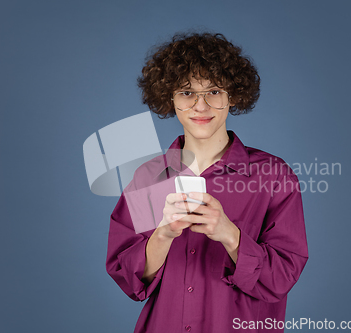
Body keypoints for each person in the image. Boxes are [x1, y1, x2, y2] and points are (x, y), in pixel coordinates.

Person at [106, 32, 308, 332]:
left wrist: (230, 235)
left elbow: (282, 277)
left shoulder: (273, 175)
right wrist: (162, 235)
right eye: (187, 93)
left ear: (233, 96)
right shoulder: (149, 178)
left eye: (214, 91)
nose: (200, 106)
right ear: (169, 98)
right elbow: (128, 276)